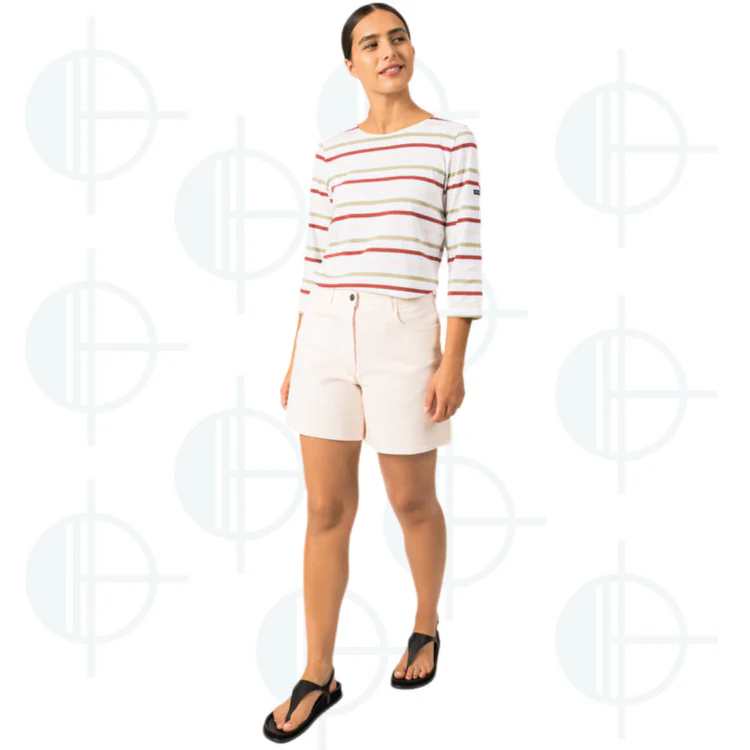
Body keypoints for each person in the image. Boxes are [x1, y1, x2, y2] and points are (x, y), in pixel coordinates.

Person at [265, 2, 483, 742]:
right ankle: (317, 672)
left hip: (405, 334)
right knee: (325, 510)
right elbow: (314, 260)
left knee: (411, 500)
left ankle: (425, 623)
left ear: (411, 50)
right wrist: (297, 354)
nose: (388, 51)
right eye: (370, 43)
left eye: (398, 37)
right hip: (326, 335)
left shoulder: (452, 141)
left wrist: (453, 359)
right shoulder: (332, 152)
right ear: (350, 65)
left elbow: (466, 260)